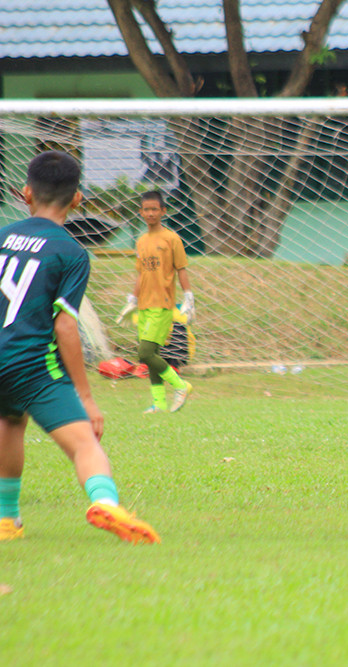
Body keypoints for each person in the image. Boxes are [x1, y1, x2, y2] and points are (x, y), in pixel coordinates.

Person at [0, 151, 159, 543]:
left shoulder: (3, 237)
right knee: (84, 443)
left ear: (25, 193)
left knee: (8, 422)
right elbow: (66, 326)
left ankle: (6, 521)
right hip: (32, 365)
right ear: (77, 199)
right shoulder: (71, 252)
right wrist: (86, 397)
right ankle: (106, 503)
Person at [117, 190, 194, 413]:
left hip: (163, 304)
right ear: (141, 212)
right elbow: (141, 273)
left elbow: (181, 269)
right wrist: (132, 299)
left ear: (163, 211)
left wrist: (188, 296)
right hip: (144, 305)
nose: (150, 213)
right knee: (153, 356)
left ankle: (181, 386)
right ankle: (159, 403)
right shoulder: (141, 241)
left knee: (145, 353)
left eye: (154, 209)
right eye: (146, 209)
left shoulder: (171, 239)